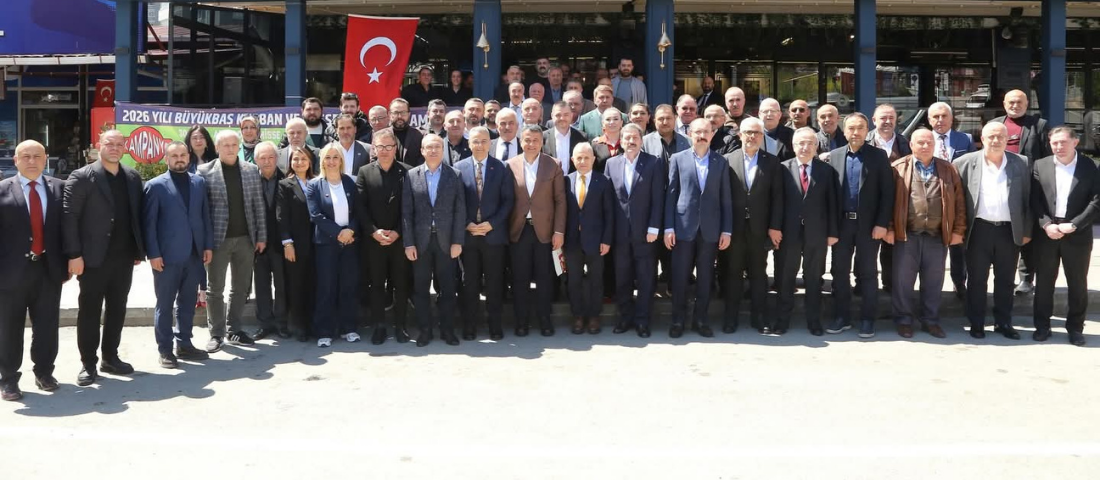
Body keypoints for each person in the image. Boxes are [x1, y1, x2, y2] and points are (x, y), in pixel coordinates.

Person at [64, 129, 145, 386]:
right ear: (99, 145)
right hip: (92, 259)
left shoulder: (132, 177)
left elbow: (136, 216)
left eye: (119, 144)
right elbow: (69, 218)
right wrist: (74, 254)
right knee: (89, 311)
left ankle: (110, 357)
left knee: (117, 309)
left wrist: (138, 250)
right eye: (109, 143)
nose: (115, 148)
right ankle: (88, 363)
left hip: (123, 258)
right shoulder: (82, 177)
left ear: (125, 148)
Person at [0, 140, 68, 401]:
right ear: (15, 160)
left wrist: (71, 259)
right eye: (25, 156)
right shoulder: (2, 189)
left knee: (47, 325)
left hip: (48, 269)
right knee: (9, 327)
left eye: (37, 156)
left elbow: (68, 228)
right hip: (10, 273)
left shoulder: (60, 188)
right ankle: (8, 379)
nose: (31, 161)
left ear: (45, 159)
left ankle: (44, 372)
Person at [883, 129, 965, 339]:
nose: (926, 146)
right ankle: (904, 320)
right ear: (911, 145)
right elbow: (887, 201)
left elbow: (959, 202)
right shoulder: (898, 168)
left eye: (929, 142)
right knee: (903, 281)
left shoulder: (948, 169)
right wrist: (889, 227)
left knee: (933, 281)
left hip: (937, 236)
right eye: (920, 142)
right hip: (907, 235)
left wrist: (957, 230)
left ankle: (930, 320)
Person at [953, 122, 1031, 340]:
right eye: (991, 137)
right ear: (982, 139)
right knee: (977, 279)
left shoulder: (1021, 163)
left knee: (1005, 280)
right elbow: (956, 201)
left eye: (1000, 137)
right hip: (978, 230)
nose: (996, 141)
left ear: (1007, 140)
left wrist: (1026, 230)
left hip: (1008, 231)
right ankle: (976, 323)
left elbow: (1028, 199)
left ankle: (1003, 322)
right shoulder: (963, 163)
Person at [142, 141, 213, 368]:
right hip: (166, 257)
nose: (179, 159)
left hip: (194, 255)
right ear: (166, 159)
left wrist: (207, 246)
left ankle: (184, 343)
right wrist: (153, 254)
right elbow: (149, 224)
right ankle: (165, 349)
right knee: (165, 304)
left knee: (188, 302)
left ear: (189, 157)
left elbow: (205, 217)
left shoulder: (199, 182)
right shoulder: (155, 186)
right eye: (174, 156)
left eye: (183, 155)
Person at [197, 130, 268, 353]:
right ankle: (216, 334)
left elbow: (258, 205)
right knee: (215, 289)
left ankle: (234, 329)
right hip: (218, 241)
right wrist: (204, 243)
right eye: (225, 145)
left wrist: (261, 236)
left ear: (239, 147)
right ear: (217, 148)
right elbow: (201, 211)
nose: (230, 148)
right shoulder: (204, 172)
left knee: (241, 288)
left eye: (233, 145)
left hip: (246, 240)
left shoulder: (251, 170)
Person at [824, 113, 894, 339]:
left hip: (869, 226)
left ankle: (867, 319)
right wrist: (830, 228)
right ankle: (842, 317)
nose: (855, 132)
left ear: (867, 131)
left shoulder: (878, 156)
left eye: (860, 128)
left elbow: (887, 194)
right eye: (851, 128)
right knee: (839, 272)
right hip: (842, 225)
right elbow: (829, 196)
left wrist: (882, 224)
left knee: (868, 273)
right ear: (844, 131)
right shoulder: (835, 156)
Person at [1030, 127, 1099, 346]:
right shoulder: (1040, 165)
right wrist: (1046, 224)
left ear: (1075, 142)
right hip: (1047, 233)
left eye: (1063, 142)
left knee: (1077, 284)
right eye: (1054, 143)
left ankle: (1076, 328)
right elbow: (1034, 200)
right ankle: (1042, 326)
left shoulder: (1089, 166)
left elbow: (1096, 201)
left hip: (1077, 234)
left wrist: (1075, 224)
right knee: (1044, 283)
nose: (1059, 147)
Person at [664, 118, 733, 338]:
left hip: (710, 230)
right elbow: (671, 195)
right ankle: (678, 320)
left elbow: (726, 198)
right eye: (697, 132)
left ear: (712, 134)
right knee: (680, 278)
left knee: (705, 279)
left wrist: (726, 230)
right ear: (690, 134)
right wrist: (668, 228)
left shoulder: (721, 161)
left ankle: (700, 320)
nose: (702, 136)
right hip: (682, 228)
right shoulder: (677, 159)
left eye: (706, 132)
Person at [774, 127, 840, 335]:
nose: (805, 147)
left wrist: (832, 232)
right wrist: (774, 228)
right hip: (788, 233)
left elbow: (832, 204)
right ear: (793, 146)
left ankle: (814, 320)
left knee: (814, 277)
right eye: (801, 143)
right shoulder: (782, 168)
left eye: (810, 143)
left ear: (816, 146)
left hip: (817, 233)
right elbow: (777, 202)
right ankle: (782, 320)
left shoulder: (826, 171)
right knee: (786, 276)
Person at [402, 134, 466, 347]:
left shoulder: (454, 175)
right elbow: (406, 212)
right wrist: (409, 243)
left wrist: (457, 241)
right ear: (422, 150)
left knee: (447, 288)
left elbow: (460, 210)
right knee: (420, 289)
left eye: (437, 147)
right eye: (429, 147)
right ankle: (425, 331)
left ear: (442, 150)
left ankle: (447, 330)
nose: (433, 151)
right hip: (420, 243)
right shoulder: (411, 175)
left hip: (446, 242)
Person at [721, 117, 783, 334]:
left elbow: (777, 198)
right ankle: (730, 319)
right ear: (740, 135)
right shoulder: (727, 160)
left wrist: (774, 226)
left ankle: (760, 318)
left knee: (758, 274)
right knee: (733, 274)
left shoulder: (772, 162)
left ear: (762, 136)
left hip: (760, 228)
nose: (752, 136)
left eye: (757, 133)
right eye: (748, 132)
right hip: (734, 229)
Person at [454, 127, 514, 341]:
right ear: (469, 144)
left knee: (494, 283)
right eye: (475, 141)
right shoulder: (458, 168)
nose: (479, 145)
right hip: (468, 236)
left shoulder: (502, 167)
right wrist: (466, 224)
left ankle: (495, 325)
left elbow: (508, 201)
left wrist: (492, 224)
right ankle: (469, 326)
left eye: (484, 141)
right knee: (469, 283)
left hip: (493, 236)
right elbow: (456, 201)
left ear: (490, 143)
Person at [605, 124, 663, 337]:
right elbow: (608, 202)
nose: (630, 142)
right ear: (621, 140)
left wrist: (654, 227)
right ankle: (625, 318)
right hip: (620, 234)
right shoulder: (611, 164)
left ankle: (642, 321)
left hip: (646, 233)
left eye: (635, 138)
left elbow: (658, 198)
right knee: (622, 278)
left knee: (646, 278)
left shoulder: (653, 162)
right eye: (627, 138)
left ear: (641, 140)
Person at [507, 125, 566, 337]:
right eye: (527, 140)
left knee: (545, 278)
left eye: (535, 140)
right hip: (519, 230)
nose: (531, 144)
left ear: (542, 142)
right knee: (520, 278)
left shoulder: (553, 164)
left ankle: (544, 320)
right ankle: (521, 322)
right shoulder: (510, 165)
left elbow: (560, 201)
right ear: (520, 141)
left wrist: (559, 231)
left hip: (545, 231)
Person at [991, 89, 1051, 296]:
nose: (1015, 106)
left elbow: (1047, 157)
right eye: (1011, 102)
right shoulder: (995, 124)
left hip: (1028, 186)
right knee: (1004, 233)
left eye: (1019, 102)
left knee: (1027, 232)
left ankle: (1026, 278)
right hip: (999, 185)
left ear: (1027, 104)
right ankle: (1003, 276)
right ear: (1004, 104)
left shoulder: (1038, 125)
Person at [356, 129, 412, 345]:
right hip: (374, 241)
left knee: (401, 285)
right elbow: (360, 207)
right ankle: (379, 326)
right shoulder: (364, 172)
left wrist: (398, 231)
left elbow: (409, 208)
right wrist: (373, 231)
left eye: (389, 146)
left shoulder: (407, 172)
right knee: (377, 285)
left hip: (400, 239)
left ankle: (401, 326)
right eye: (381, 147)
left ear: (395, 148)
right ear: (374, 149)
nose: (385, 151)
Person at [307, 144, 360, 347]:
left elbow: (358, 211)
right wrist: (339, 233)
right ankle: (324, 331)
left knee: (348, 286)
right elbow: (315, 215)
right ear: (322, 161)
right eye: (327, 157)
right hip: (326, 244)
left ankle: (349, 328)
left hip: (350, 242)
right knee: (326, 287)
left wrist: (350, 230)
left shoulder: (350, 182)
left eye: (335, 157)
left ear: (341, 160)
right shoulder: (314, 185)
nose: (331, 161)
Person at [563, 142, 613, 334]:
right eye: (579, 158)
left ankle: (594, 316)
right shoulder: (566, 181)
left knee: (596, 280)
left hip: (596, 241)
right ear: (572, 160)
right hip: (572, 240)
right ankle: (577, 316)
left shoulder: (604, 181)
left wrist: (606, 240)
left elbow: (609, 214)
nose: (583, 161)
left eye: (586, 157)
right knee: (574, 280)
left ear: (593, 159)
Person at [928, 101, 975, 300]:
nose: (940, 120)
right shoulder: (922, 139)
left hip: (957, 198)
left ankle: (959, 283)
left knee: (958, 245)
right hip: (931, 200)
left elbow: (972, 168)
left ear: (951, 118)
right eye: (935, 117)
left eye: (944, 116)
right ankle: (931, 286)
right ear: (929, 120)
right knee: (932, 247)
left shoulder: (965, 139)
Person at [867, 104, 912, 295]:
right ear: (874, 120)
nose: (887, 122)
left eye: (891, 118)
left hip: (897, 202)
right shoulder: (865, 141)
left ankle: (890, 285)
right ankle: (863, 286)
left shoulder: (906, 144)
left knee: (892, 246)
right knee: (867, 248)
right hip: (868, 203)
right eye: (883, 118)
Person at [250, 142, 290, 340]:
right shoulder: (249, 180)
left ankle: (282, 323)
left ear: (277, 158)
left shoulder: (287, 179)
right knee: (261, 285)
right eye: (262, 158)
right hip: (258, 243)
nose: (267, 162)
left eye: (271, 157)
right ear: (256, 160)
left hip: (281, 242)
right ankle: (264, 324)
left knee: (282, 285)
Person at [276, 147, 317, 342]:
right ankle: (299, 325)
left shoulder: (317, 182)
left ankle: (313, 323)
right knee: (297, 285)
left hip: (317, 242)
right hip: (295, 245)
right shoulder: (285, 184)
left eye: (303, 159)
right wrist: (287, 243)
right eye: (295, 159)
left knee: (314, 284)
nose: (299, 163)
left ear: (310, 162)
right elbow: (281, 216)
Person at [543, 101, 588, 175]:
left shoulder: (582, 137)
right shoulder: (543, 137)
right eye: (558, 115)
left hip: (573, 181)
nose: (562, 118)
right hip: (550, 181)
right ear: (552, 116)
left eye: (566, 115)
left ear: (571, 115)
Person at [332, 113, 374, 178]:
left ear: (355, 129)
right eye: (342, 128)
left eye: (349, 128)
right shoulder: (329, 150)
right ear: (336, 130)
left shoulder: (368, 150)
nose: (345, 132)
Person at [389, 98, 425, 167]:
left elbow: (423, 159)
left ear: (409, 114)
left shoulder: (420, 135)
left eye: (403, 113)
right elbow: (374, 160)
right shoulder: (379, 135)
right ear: (390, 114)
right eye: (396, 113)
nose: (399, 116)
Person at [591, 107, 624, 172]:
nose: (612, 122)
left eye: (615, 119)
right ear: (603, 123)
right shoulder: (596, 144)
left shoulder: (627, 143)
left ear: (621, 122)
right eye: (608, 119)